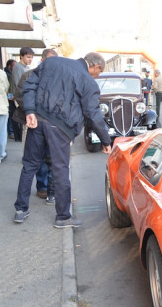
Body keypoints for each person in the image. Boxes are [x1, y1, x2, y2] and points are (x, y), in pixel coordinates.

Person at [15, 52, 112, 228]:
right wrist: (106, 140)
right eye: (99, 72)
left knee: (29, 164)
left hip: (37, 120)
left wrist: (30, 110)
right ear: (95, 66)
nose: (97, 76)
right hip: (60, 128)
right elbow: (93, 114)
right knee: (60, 170)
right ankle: (63, 216)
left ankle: (20, 209)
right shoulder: (88, 81)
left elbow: (29, 85)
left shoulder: (51, 62)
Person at [13, 48, 59, 203]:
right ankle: (42, 187)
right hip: (33, 123)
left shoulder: (58, 77)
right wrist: (31, 113)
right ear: (43, 60)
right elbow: (19, 95)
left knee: (50, 159)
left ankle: (49, 190)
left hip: (51, 125)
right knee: (35, 159)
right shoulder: (28, 74)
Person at [11, 47, 35, 143]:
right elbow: (18, 86)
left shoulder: (26, 68)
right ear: (21, 56)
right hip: (21, 99)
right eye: (28, 57)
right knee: (24, 126)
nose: (30, 59)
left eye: (32, 57)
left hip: (26, 98)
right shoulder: (18, 67)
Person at [4, 59, 17, 139]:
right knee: (10, 116)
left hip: (9, 98)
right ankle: (10, 132)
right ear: (9, 66)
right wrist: (10, 97)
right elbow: (8, 88)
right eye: (14, 65)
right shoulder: (8, 75)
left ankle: (10, 131)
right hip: (9, 98)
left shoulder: (9, 73)